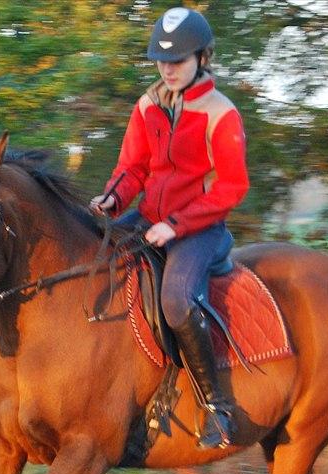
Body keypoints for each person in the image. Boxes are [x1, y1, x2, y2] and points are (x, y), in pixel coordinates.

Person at [91, 7, 249, 450]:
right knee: (92, 256)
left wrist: (175, 225)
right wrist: (113, 199)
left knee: (177, 301)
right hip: (149, 218)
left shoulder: (221, 113)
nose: (168, 69)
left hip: (201, 228)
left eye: (177, 60)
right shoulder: (148, 105)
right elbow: (133, 168)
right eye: (162, 61)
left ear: (203, 56)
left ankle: (218, 407)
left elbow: (232, 187)